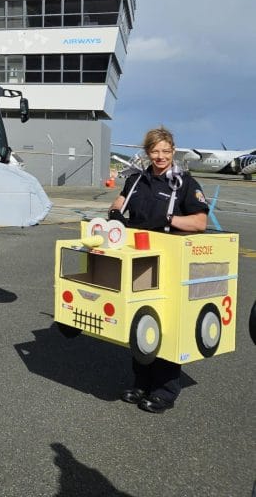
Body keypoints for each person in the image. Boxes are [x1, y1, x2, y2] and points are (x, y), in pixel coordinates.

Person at [108, 126, 208, 414]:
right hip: (139, 257)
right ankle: (141, 383)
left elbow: (199, 223)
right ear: (147, 152)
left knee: (164, 324)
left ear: (173, 151)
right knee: (139, 320)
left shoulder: (185, 183)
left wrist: (169, 217)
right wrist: (115, 213)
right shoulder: (137, 179)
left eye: (166, 151)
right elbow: (120, 200)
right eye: (155, 151)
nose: (161, 156)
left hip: (170, 261)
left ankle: (165, 390)